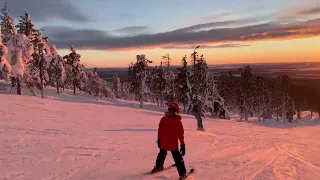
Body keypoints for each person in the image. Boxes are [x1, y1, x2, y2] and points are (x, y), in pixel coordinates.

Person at [151, 102, 187, 179]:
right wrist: (182, 145)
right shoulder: (178, 122)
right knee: (178, 158)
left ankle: (158, 167)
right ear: (177, 111)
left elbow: (160, 130)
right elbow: (180, 135)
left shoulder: (163, 119)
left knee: (162, 153)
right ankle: (182, 174)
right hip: (173, 144)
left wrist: (159, 139)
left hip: (164, 142)